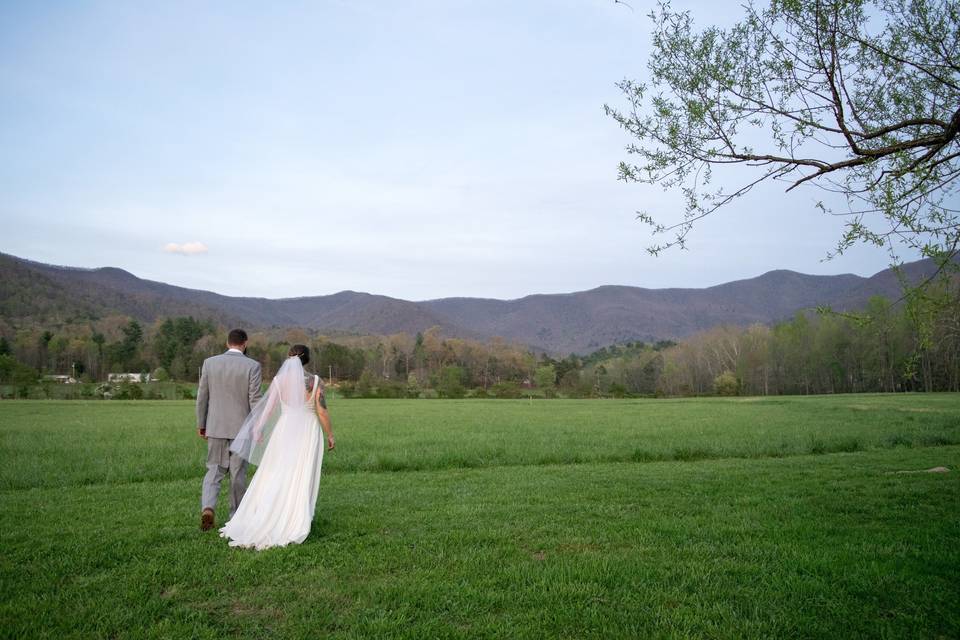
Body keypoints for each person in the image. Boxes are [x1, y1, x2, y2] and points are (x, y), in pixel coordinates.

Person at [219, 344, 335, 550]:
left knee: (276, 472)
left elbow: (269, 407)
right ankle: (296, 516)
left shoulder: (279, 381)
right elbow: (322, 411)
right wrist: (330, 434)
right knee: (302, 472)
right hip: (308, 431)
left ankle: (270, 512)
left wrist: (258, 429)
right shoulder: (315, 381)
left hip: (284, 430)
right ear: (306, 360)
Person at [196, 328, 262, 531]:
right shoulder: (253, 366)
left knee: (214, 470)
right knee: (237, 474)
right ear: (245, 343)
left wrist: (202, 424)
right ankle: (236, 516)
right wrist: (258, 427)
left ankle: (208, 507)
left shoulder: (210, 363)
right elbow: (255, 400)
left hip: (215, 427)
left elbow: (202, 397)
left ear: (227, 343)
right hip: (241, 429)